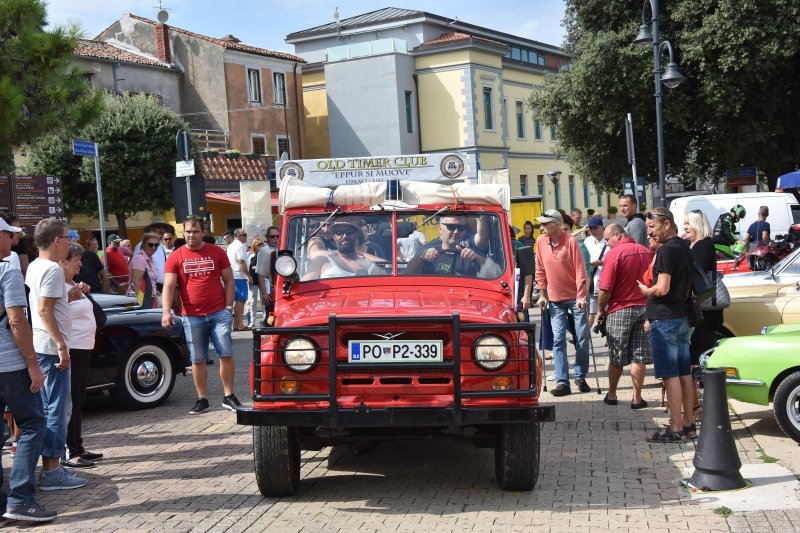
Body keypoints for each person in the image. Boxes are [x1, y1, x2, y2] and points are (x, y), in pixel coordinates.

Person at [0, 218, 56, 523]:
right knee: (33, 423)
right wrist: (33, 364)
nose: (14, 240)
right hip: (9, 364)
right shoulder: (7, 272)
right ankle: (20, 498)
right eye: (9, 235)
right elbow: (17, 321)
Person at [25, 218, 87, 489]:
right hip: (51, 349)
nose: (70, 242)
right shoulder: (50, 269)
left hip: (43, 346)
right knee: (57, 409)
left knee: (53, 408)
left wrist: (67, 298)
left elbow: (45, 305)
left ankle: (52, 467)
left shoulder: (35, 266)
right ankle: (51, 470)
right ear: (56, 241)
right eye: (66, 237)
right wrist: (62, 345)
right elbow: (44, 310)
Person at [162, 216, 240, 415]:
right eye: (187, 231)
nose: (191, 235)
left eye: (195, 232)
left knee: (226, 353)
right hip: (192, 315)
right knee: (198, 359)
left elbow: (229, 280)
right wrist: (166, 312)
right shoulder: (175, 256)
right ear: (183, 233)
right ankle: (202, 399)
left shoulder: (216, 252)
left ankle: (228, 396)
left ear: (203, 232)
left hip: (219, 312)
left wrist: (229, 307)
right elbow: (169, 286)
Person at [638, 208, 694, 442]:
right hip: (680, 317)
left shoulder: (667, 251)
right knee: (684, 374)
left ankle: (675, 428)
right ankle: (688, 425)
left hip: (666, 319)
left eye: (652, 227)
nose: (649, 232)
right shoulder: (682, 247)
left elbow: (662, 288)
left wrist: (646, 290)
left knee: (670, 376)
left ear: (667, 224)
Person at [535, 209, 591, 396]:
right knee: (558, 339)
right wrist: (542, 295)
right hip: (555, 299)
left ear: (556, 225)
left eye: (545, 224)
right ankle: (562, 381)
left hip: (576, 298)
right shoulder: (541, 242)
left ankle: (580, 375)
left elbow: (580, 271)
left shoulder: (571, 241)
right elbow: (540, 269)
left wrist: (582, 296)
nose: (541, 227)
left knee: (581, 337)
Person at [597, 224, 653, 408]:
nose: (606, 243)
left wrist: (600, 309)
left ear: (618, 235)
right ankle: (637, 398)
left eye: (607, 239)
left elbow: (605, 288)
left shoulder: (613, 254)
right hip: (644, 307)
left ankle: (612, 394)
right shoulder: (646, 251)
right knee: (639, 355)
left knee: (617, 355)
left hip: (620, 309)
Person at [59, 243, 103, 468]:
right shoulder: (59, 286)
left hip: (83, 348)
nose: (81, 264)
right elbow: (49, 312)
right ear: (63, 261)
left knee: (79, 399)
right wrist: (69, 297)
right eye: (77, 259)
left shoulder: (72, 284)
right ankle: (69, 450)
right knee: (71, 400)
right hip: (72, 348)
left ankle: (78, 445)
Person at [684, 210, 722, 429]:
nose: (685, 227)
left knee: (695, 357)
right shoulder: (704, 244)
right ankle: (697, 405)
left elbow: (693, 279)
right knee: (698, 356)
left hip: (704, 311)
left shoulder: (700, 247)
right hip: (708, 310)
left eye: (687, 224)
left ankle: (697, 406)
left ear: (697, 224)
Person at [405, 214, 498, 278]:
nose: (456, 231)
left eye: (460, 228)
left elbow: (496, 276)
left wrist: (477, 258)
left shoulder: (470, 254)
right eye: (451, 227)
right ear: (440, 229)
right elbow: (408, 276)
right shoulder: (426, 250)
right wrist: (422, 257)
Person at [302, 218, 387, 280]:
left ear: (356, 235)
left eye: (349, 232)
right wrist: (338, 255)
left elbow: (388, 268)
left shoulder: (371, 267)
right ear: (334, 236)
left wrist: (359, 254)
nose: (345, 236)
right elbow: (305, 290)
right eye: (339, 233)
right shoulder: (321, 261)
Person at [135, 218, 174, 293]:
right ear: (151, 229)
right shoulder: (142, 246)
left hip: (161, 288)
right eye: (159, 227)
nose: (162, 229)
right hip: (148, 289)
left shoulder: (161, 246)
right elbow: (137, 272)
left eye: (164, 228)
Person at [583, 216, 606, 329]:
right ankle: (583, 336)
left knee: (607, 311)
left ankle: (608, 336)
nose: (593, 230)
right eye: (591, 228)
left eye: (595, 228)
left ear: (602, 227)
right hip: (591, 281)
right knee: (591, 312)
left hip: (605, 282)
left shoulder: (608, 241)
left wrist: (602, 263)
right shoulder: (587, 241)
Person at [226, 228, 251, 331]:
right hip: (239, 276)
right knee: (241, 300)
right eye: (244, 235)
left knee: (237, 301)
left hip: (233, 275)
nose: (246, 237)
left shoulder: (231, 245)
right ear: (239, 236)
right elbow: (241, 262)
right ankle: (239, 324)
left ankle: (236, 324)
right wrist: (248, 276)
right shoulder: (240, 246)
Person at [129, 233, 161, 309]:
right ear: (143, 245)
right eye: (150, 245)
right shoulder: (139, 259)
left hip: (150, 298)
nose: (153, 247)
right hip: (144, 301)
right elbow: (136, 283)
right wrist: (140, 303)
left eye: (156, 245)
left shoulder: (150, 259)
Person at [255, 227, 279, 324]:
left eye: (277, 236)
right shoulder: (263, 251)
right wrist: (264, 293)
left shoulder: (285, 247)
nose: (275, 238)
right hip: (271, 289)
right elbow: (260, 273)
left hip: (285, 288)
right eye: (272, 236)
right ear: (267, 238)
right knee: (271, 319)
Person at [246, 238, 263, 328]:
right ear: (254, 246)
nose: (261, 246)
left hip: (263, 279)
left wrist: (256, 267)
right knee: (253, 301)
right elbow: (249, 267)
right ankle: (252, 321)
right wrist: (249, 278)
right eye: (259, 244)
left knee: (265, 300)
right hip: (253, 279)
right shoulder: (250, 255)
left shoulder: (264, 254)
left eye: (261, 244)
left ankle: (265, 319)